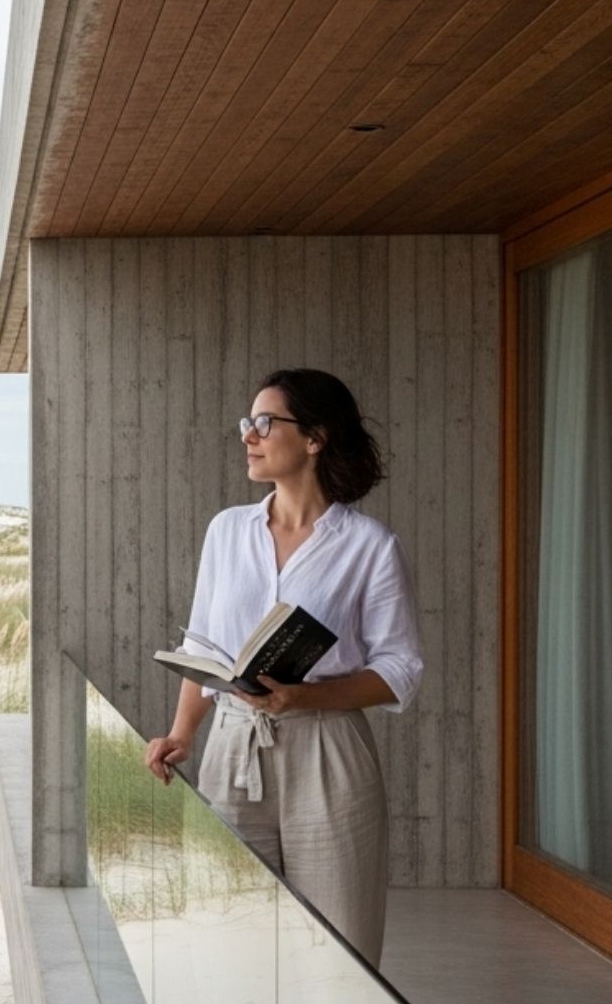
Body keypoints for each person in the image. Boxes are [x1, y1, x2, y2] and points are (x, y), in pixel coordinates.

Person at [143, 367, 422, 968]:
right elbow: (206, 648)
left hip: (329, 753)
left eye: (265, 423)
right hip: (234, 749)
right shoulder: (226, 531)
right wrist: (182, 734)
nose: (249, 434)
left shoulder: (370, 545)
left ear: (315, 438)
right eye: (249, 423)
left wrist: (303, 699)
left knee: (337, 943)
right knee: (227, 931)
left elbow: (399, 667)